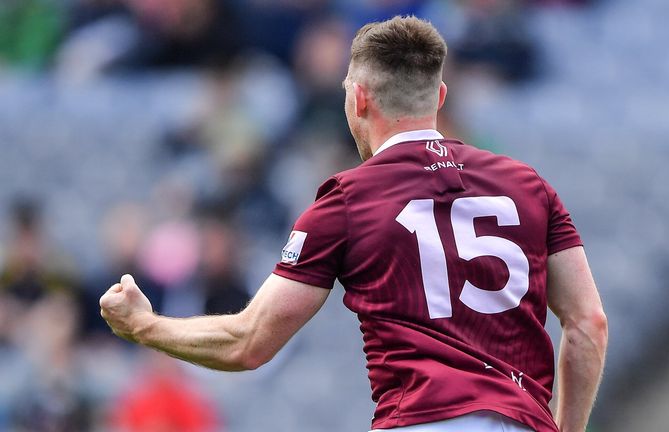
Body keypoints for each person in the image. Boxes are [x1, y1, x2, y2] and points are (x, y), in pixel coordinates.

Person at [100, 16, 608, 432]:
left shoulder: (348, 197)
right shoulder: (529, 186)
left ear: (359, 99)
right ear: (440, 96)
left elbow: (248, 342)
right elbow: (588, 323)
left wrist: (146, 326)